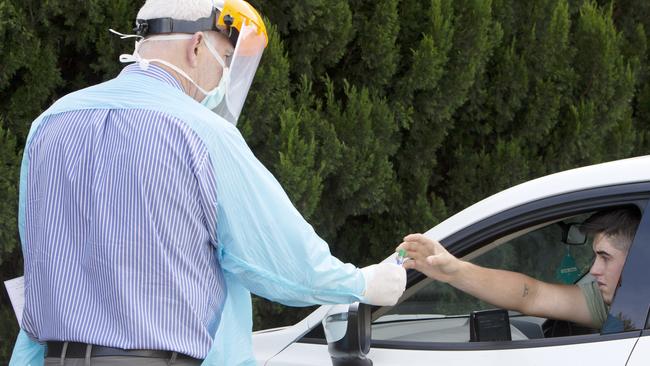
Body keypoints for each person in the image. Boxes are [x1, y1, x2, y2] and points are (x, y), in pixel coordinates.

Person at [9, 0, 406, 365]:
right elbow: (282, 259)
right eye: (227, 59)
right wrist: (364, 283)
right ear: (197, 46)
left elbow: (40, 261)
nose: (223, 78)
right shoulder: (202, 132)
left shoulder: (50, 123)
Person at [396, 207, 640, 331]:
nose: (595, 270)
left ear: (640, 257)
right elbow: (533, 295)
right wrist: (456, 271)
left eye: (605, 257)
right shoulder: (615, 301)